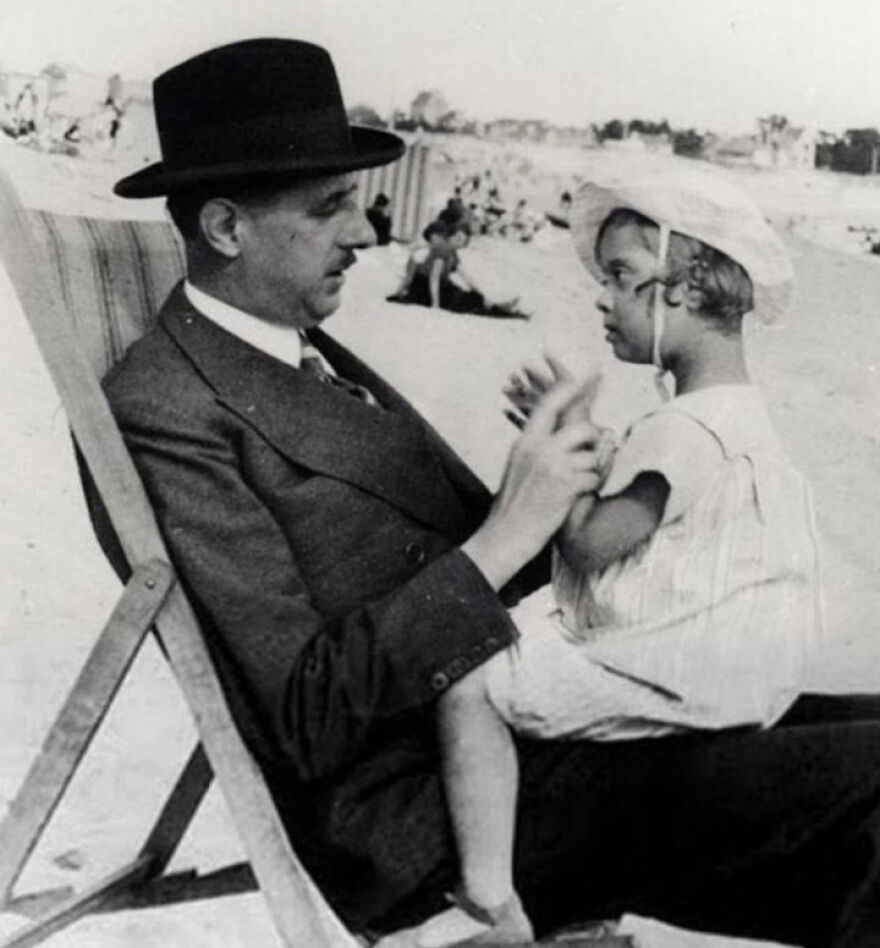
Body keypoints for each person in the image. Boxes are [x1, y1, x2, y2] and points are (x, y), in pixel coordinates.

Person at [106, 39, 880, 948]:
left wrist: (567, 490)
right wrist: (510, 531)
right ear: (228, 230)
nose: (367, 234)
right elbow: (305, 717)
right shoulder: (173, 409)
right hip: (426, 805)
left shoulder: (292, 351)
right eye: (330, 210)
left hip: (516, 720)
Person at [383, 174, 822, 946]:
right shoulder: (732, 413)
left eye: (619, 278)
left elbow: (589, 545)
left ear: (681, 291)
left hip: (692, 662)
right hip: (749, 659)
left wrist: (557, 451)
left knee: (471, 682)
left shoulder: (684, 429)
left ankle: (488, 896)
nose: (602, 297)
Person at [387, 218, 528, 318]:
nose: (460, 242)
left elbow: (464, 275)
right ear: (450, 235)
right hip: (423, 286)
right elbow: (433, 277)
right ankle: (497, 308)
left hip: (438, 284)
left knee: (473, 297)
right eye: (457, 238)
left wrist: (482, 293)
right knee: (466, 302)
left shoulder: (452, 252)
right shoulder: (442, 249)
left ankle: (494, 305)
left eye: (463, 240)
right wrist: (435, 304)